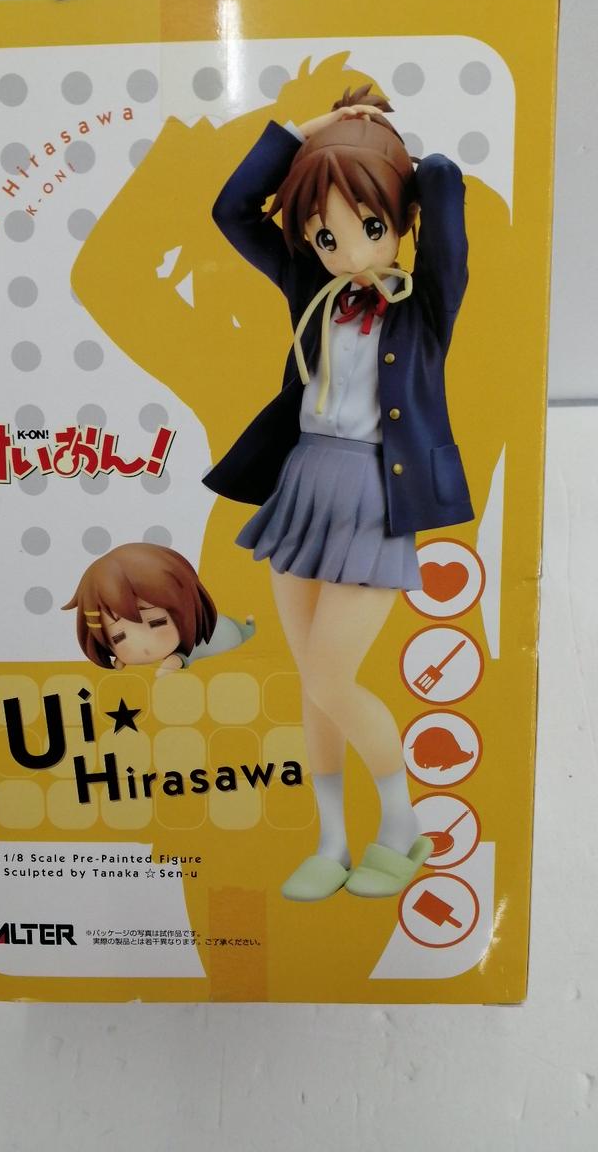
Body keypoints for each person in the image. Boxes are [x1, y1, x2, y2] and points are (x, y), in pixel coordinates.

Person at [204, 83, 473, 901]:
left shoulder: (426, 304)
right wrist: (308, 131)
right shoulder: (308, 287)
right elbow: (231, 211)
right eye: (326, 235)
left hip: (377, 497)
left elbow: (443, 190)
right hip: (304, 485)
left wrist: (381, 143)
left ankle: (402, 825)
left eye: (369, 228)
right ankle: (331, 841)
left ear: (400, 220)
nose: (350, 253)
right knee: (310, 683)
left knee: (331, 677)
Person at [63, 541, 255, 676]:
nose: (142, 644)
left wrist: (171, 664)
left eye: (157, 622)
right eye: (118, 637)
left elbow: (179, 660)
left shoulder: (194, 644)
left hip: (230, 632)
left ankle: (248, 626)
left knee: (246, 631)